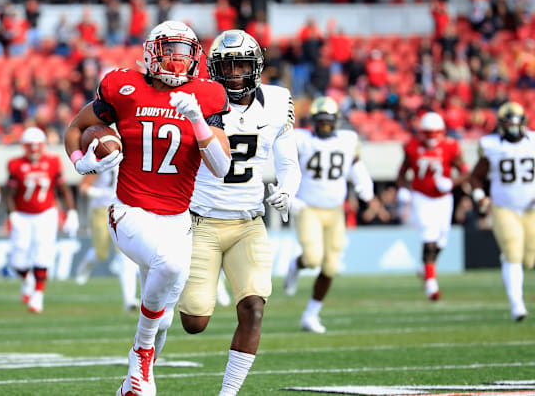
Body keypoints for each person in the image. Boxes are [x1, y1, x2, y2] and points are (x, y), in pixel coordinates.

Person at [64, 20, 231, 396]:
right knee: (168, 269)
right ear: (152, 53)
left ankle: (134, 385)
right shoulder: (123, 87)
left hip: (177, 219)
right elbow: (75, 128)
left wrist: (198, 121)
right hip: (130, 210)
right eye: (170, 51)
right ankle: (139, 352)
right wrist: (81, 163)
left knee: (167, 315)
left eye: (185, 53)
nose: (177, 61)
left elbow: (221, 168)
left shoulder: (206, 96)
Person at [178, 30, 301, 396]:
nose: (234, 74)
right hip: (200, 220)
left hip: (248, 222)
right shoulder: (198, 98)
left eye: (241, 65)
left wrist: (287, 190)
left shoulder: (278, 102)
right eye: (226, 67)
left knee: (254, 308)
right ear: (213, 69)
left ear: (256, 67)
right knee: (195, 322)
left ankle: (228, 394)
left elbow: (289, 162)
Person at [282, 96, 378, 333]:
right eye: (320, 122)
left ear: (336, 122)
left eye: (328, 122)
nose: (324, 126)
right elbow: (288, 167)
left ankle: (311, 315)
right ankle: (296, 266)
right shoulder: (301, 139)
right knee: (313, 258)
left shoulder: (347, 140)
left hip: (335, 210)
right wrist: (289, 196)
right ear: (313, 121)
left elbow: (354, 164)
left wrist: (364, 183)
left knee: (330, 267)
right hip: (308, 207)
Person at [470, 102, 533, 321]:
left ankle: (509, 261)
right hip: (503, 207)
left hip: (531, 209)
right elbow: (476, 176)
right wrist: (481, 197)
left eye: (516, 122)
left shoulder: (533, 142)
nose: (513, 127)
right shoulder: (491, 145)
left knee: (529, 259)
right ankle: (517, 305)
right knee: (513, 251)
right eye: (508, 122)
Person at [396, 112, 468, 301]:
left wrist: (452, 182)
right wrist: (403, 188)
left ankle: (424, 268)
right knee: (429, 236)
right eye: (427, 133)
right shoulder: (411, 146)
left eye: (434, 133)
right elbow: (402, 172)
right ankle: (431, 284)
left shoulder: (451, 146)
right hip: (421, 196)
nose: (430, 138)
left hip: (444, 198)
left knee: (442, 239)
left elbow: (466, 171)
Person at [5, 127, 78, 314]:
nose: (34, 149)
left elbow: (63, 189)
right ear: (24, 146)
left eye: (38, 145)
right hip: (22, 214)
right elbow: (10, 194)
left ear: (43, 145)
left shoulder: (53, 161)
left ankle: (38, 294)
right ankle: (29, 279)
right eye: (31, 146)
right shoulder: (15, 164)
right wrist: (12, 214)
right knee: (17, 260)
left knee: (42, 254)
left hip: (46, 214)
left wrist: (71, 212)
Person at [74, 167, 139, 312]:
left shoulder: (129, 156)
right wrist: (102, 194)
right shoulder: (102, 158)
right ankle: (86, 264)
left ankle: (129, 300)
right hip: (101, 210)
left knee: (125, 254)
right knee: (100, 253)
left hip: (122, 209)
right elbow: (83, 187)